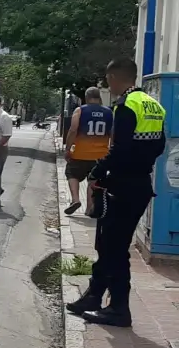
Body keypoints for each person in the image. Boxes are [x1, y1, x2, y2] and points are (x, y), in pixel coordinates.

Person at [67, 59, 167, 328]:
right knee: (109, 244)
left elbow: (119, 149)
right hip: (140, 182)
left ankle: (119, 309)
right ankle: (94, 296)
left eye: (107, 78)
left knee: (113, 248)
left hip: (121, 185)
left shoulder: (125, 106)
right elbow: (159, 146)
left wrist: (97, 172)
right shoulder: (152, 104)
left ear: (112, 77)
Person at [63, 87, 112, 217]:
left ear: (86, 97)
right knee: (93, 181)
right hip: (100, 156)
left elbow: (73, 130)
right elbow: (114, 134)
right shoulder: (109, 112)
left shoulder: (80, 110)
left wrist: (68, 149)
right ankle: (89, 208)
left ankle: (75, 199)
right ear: (99, 97)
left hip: (80, 153)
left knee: (71, 174)